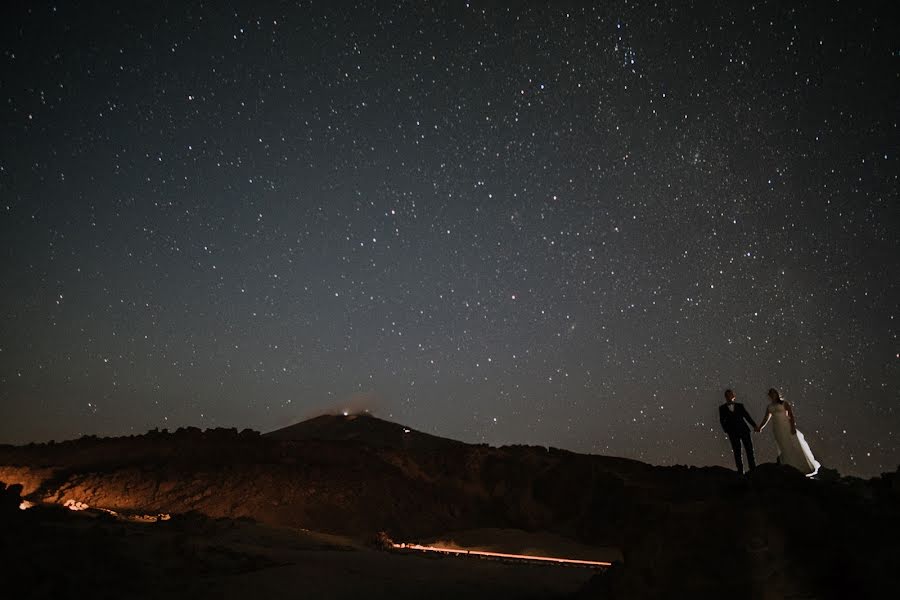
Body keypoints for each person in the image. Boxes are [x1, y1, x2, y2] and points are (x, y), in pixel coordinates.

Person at [756, 388, 820, 476]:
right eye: (770, 394)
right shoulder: (769, 406)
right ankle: (788, 465)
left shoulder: (784, 403)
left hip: (786, 427)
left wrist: (793, 427)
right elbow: (766, 418)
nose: (772, 395)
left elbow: (791, 415)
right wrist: (760, 427)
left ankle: (800, 467)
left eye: (774, 393)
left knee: (792, 444)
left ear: (777, 394)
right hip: (777, 428)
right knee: (783, 446)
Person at [718, 389, 758, 474]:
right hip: (733, 433)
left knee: (749, 450)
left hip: (744, 430)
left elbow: (747, 416)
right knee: (737, 452)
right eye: (727, 395)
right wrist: (727, 430)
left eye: (730, 394)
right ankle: (740, 471)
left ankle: (753, 469)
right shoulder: (722, 408)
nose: (729, 396)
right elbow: (722, 420)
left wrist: (754, 425)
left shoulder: (740, 406)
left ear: (733, 396)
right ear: (725, 397)